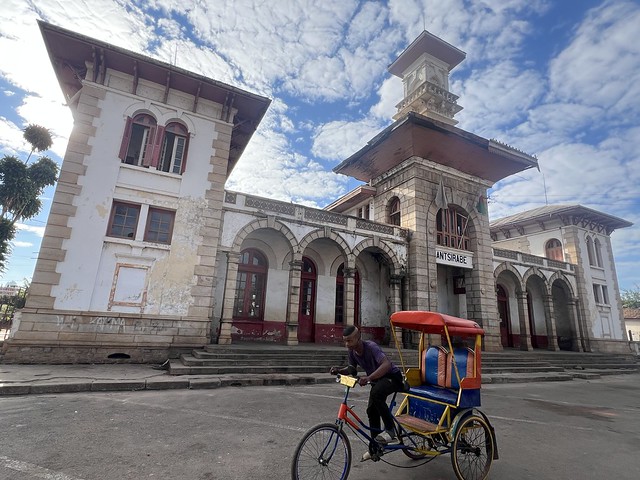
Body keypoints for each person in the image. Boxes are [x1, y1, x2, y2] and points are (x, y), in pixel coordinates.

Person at [330, 325, 404, 461]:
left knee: (376, 394)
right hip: (377, 381)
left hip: (392, 377)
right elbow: (352, 370)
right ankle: (375, 447)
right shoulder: (352, 351)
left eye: (350, 341)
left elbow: (386, 364)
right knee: (371, 411)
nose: (347, 344)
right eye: (345, 341)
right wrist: (339, 370)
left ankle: (390, 430)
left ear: (358, 338)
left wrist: (369, 378)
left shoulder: (371, 347)